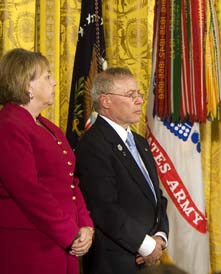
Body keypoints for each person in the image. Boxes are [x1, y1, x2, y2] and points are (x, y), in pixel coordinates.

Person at [0, 48, 94, 274]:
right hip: (30, 245)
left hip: (63, 241)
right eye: (47, 76)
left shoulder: (48, 127)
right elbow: (28, 190)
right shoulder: (9, 125)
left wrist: (85, 225)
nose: (54, 83)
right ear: (27, 85)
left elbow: (71, 182)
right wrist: (68, 232)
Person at [75, 67, 169, 274]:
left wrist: (160, 238)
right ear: (106, 101)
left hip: (147, 256)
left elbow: (157, 197)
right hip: (115, 260)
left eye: (139, 94)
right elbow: (104, 207)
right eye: (130, 95)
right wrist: (146, 245)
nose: (139, 100)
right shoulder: (93, 144)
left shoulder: (139, 142)